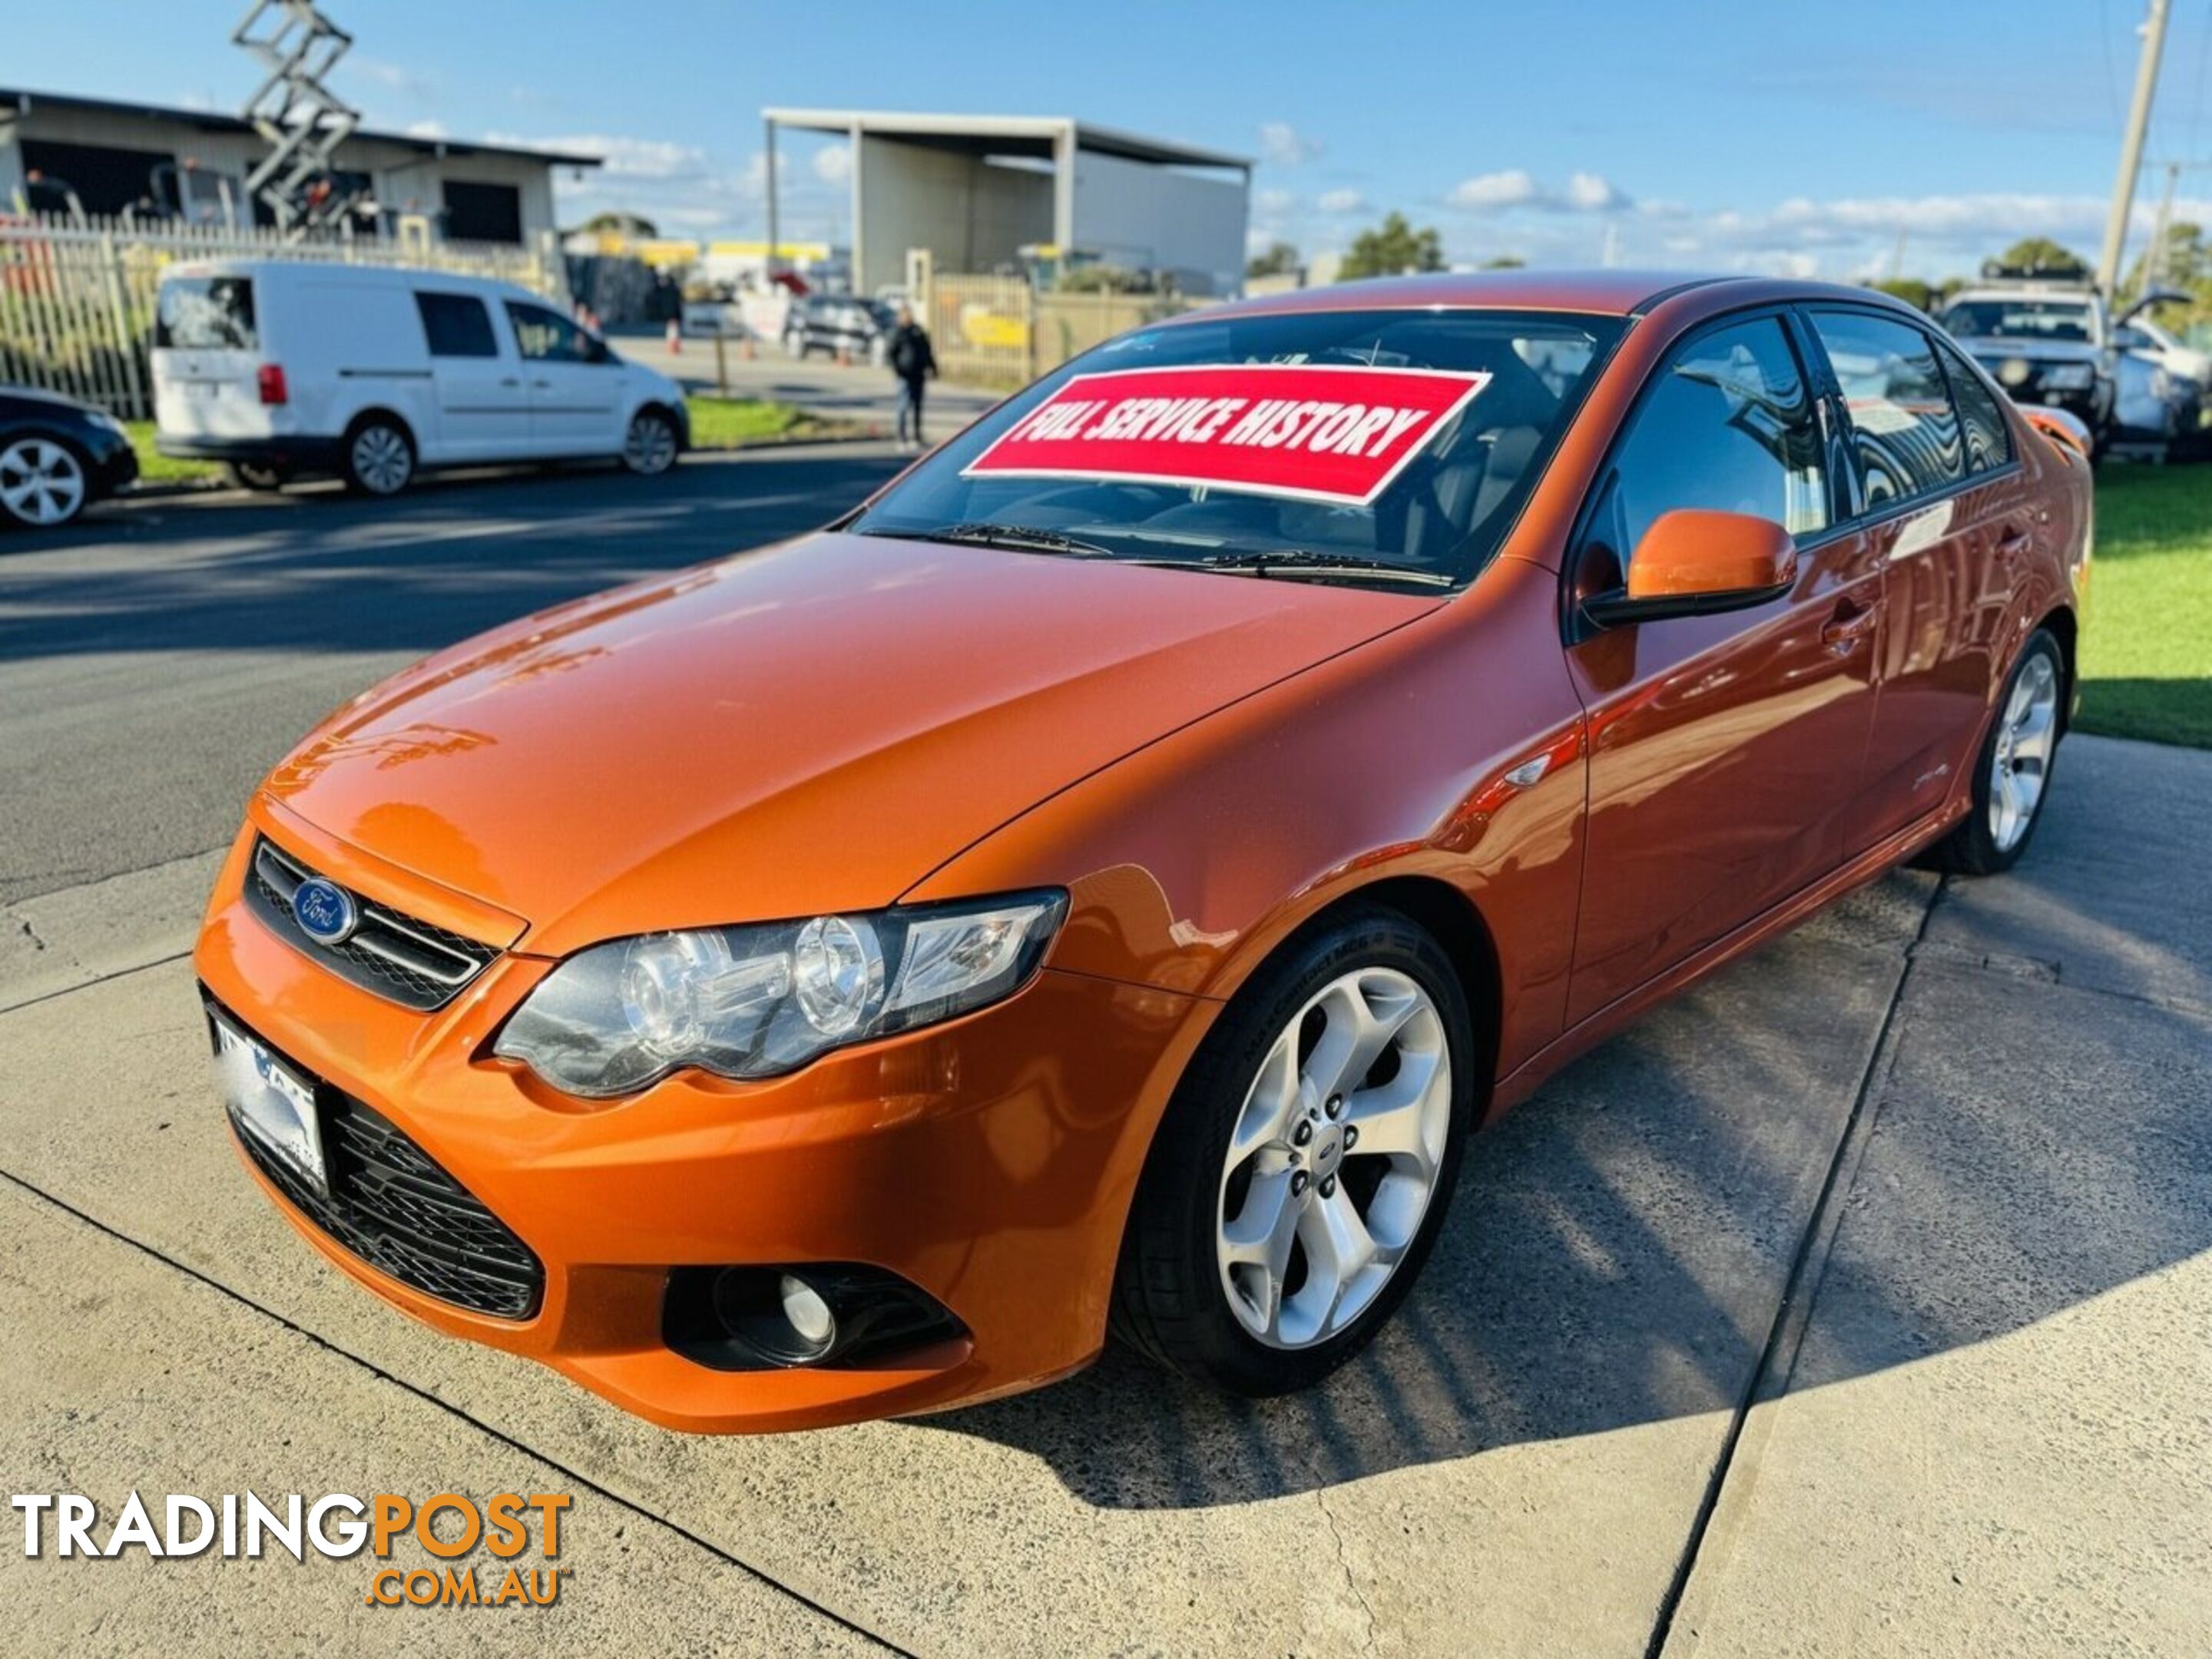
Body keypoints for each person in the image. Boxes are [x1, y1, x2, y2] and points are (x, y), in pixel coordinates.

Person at [888, 305, 938, 452]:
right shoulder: (898, 333)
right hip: (904, 375)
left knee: (917, 406)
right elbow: (891, 353)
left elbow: (927, 351)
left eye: (909, 314)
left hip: (918, 374)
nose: (908, 317)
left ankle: (916, 436)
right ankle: (901, 437)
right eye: (905, 315)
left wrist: (932, 367)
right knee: (903, 406)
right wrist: (898, 369)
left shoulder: (918, 331)